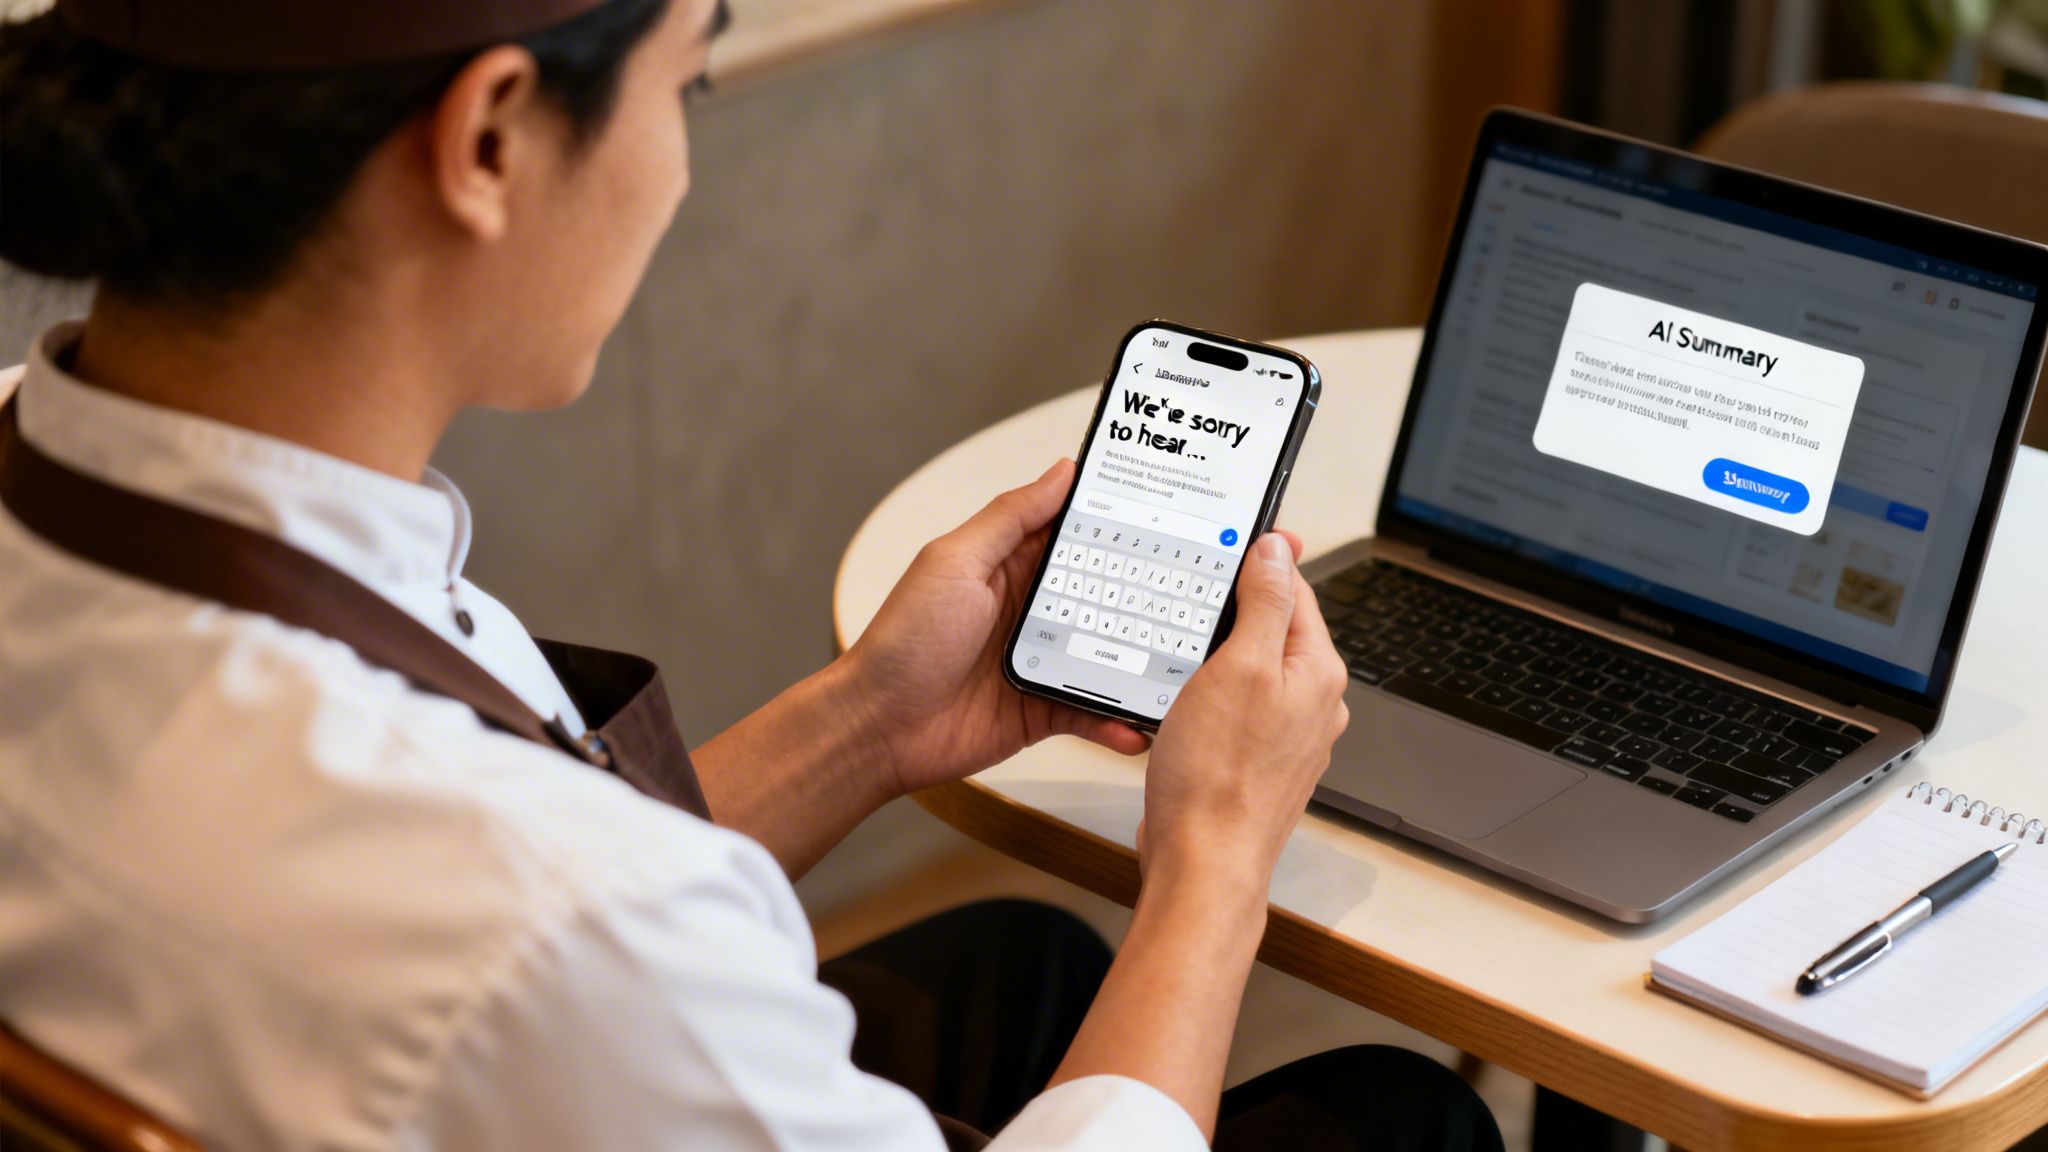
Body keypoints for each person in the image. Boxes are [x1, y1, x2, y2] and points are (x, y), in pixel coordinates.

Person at [0, 1, 1505, 1148]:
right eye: (686, 86)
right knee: (1397, 1116)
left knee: (1025, 965)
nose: (672, 168)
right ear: (489, 140)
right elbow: (564, 926)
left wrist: (872, 723)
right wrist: (1216, 862)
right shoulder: (551, 926)